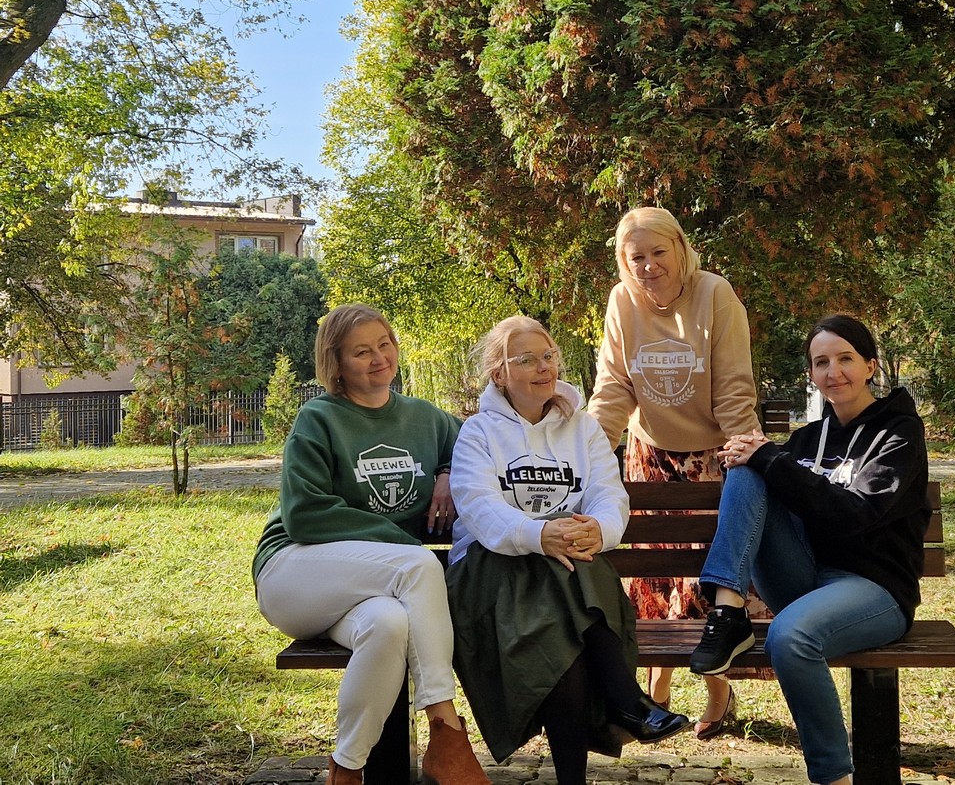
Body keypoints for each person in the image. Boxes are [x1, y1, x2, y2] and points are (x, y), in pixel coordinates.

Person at [251, 303, 489, 785]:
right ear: (336, 364)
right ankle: (446, 730)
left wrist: (447, 471)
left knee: (389, 625)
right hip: (294, 573)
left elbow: (478, 449)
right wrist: (401, 542)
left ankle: (347, 768)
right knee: (418, 565)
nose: (379, 358)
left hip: (368, 589)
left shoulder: (426, 418)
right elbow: (304, 514)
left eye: (385, 344)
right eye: (362, 352)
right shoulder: (318, 419)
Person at [687, 314, 930, 785]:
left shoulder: (898, 435)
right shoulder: (805, 440)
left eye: (845, 359)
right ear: (812, 375)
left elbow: (857, 514)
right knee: (746, 465)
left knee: (789, 637)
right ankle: (728, 612)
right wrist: (759, 456)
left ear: (870, 366)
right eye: (821, 363)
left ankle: (833, 778)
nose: (834, 372)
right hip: (804, 578)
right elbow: (768, 494)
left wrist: (771, 458)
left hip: (874, 589)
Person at [446, 316, 689, 785]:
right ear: (499, 374)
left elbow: (608, 493)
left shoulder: (584, 429)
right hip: (494, 574)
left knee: (564, 638)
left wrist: (599, 528)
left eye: (549, 356)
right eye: (526, 359)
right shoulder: (478, 433)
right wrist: (539, 536)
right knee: (563, 584)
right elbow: (479, 508)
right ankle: (628, 700)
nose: (544, 367)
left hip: (571, 579)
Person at [587, 206, 760, 737]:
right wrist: (587, 452)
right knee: (656, 578)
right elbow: (614, 386)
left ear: (681, 249)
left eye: (658, 252)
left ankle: (717, 689)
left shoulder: (715, 294)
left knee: (704, 579)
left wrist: (746, 453)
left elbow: (732, 385)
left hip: (712, 454)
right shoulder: (622, 301)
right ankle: (656, 686)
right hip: (650, 455)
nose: (648, 266)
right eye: (635, 257)